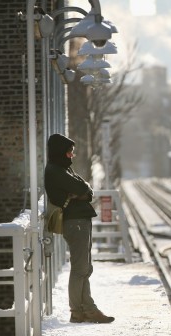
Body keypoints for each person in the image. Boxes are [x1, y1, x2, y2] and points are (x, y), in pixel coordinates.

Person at [44, 133, 114, 324]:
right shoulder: (56, 171)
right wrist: (80, 192)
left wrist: (81, 192)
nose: (72, 156)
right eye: (69, 152)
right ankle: (79, 310)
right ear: (60, 152)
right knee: (80, 268)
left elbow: (86, 190)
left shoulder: (62, 169)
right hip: (74, 222)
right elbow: (83, 189)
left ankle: (86, 309)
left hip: (79, 220)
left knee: (84, 267)